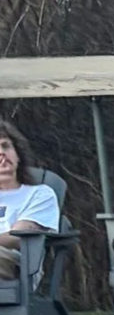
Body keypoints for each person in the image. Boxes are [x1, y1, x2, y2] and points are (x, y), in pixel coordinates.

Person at [0, 117, 59, 284]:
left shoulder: (39, 194)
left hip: (17, 265)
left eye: (6, 146)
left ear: (18, 154)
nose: (2, 152)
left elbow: (17, 237)